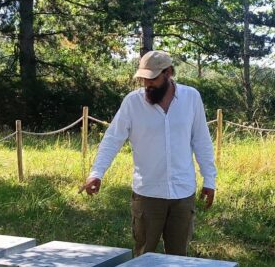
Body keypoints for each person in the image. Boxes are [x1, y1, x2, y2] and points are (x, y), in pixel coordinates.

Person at [80, 50, 216, 256]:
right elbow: (112, 139)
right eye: (144, 79)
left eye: (152, 78)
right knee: (143, 257)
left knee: (179, 259)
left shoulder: (191, 98)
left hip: (183, 193)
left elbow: (202, 140)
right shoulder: (132, 102)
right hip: (148, 194)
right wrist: (96, 173)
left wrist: (210, 180)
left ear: (169, 72)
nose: (147, 84)